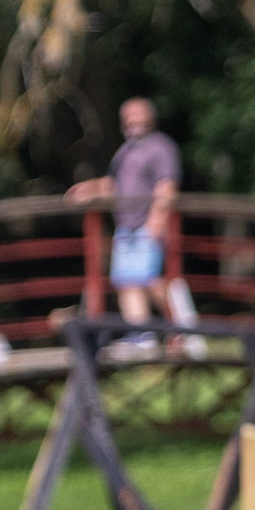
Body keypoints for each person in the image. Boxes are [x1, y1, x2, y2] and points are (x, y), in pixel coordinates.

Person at [68, 97, 180, 349]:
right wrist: (89, 189)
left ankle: (183, 327)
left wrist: (156, 221)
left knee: (149, 280)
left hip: (146, 225)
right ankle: (141, 336)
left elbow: (167, 187)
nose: (133, 120)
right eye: (128, 116)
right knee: (127, 281)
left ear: (150, 118)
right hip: (125, 227)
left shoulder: (160, 147)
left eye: (138, 115)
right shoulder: (126, 151)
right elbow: (113, 186)